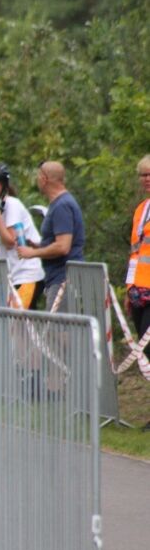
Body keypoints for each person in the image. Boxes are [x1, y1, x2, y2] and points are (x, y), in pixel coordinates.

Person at [16, 161, 85, 311]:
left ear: (44, 179)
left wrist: (32, 253)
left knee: (58, 332)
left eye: (38, 176)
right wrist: (39, 246)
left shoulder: (62, 206)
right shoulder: (59, 204)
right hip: (58, 277)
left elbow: (63, 246)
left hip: (64, 280)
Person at [0, 163, 45, 309]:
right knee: (13, 326)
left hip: (27, 276)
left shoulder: (11, 205)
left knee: (14, 322)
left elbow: (9, 242)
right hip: (11, 278)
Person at [126, 155, 150, 395]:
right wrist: (128, 287)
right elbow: (134, 251)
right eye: (143, 175)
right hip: (139, 290)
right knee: (144, 348)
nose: (146, 179)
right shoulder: (141, 210)